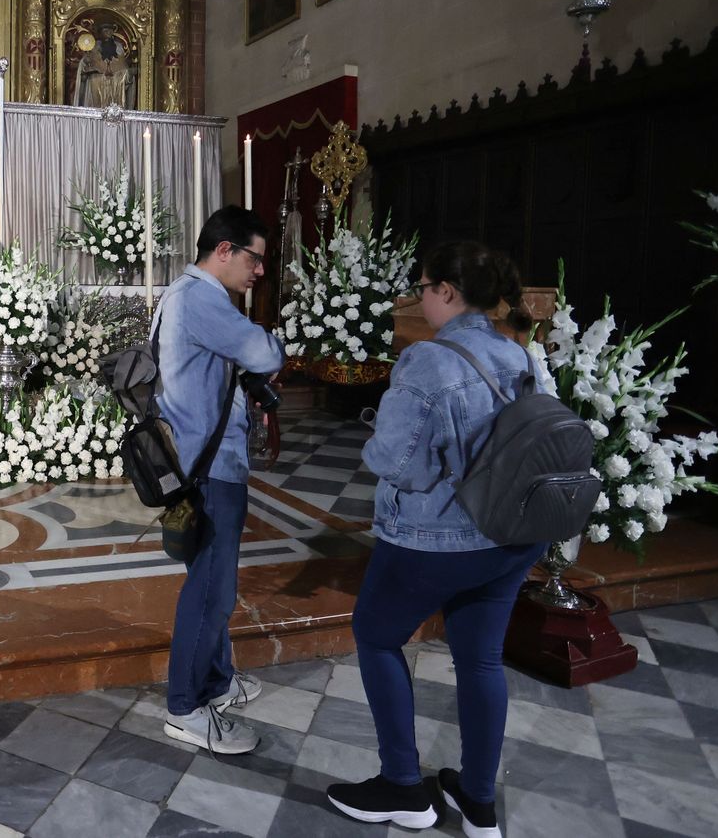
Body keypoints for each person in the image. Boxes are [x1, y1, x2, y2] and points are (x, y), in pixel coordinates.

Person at [325, 240, 550, 837]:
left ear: (446, 291)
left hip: (438, 539)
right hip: (512, 534)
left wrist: (376, 434)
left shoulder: (429, 360)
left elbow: (399, 464)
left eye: (422, 288)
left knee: (376, 636)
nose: (418, 298)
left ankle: (403, 786)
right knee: (481, 659)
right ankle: (478, 803)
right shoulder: (519, 353)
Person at [155, 205, 285, 754]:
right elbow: (265, 352)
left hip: (194, 463)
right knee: (211, 592)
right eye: (254, 259)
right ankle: (185, 708)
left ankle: (215, 681)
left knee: (210, 584)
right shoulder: (203, 299)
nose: (260, 271)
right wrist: (269, 347)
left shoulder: (183, 293)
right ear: (225, 250)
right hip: (209, 468)